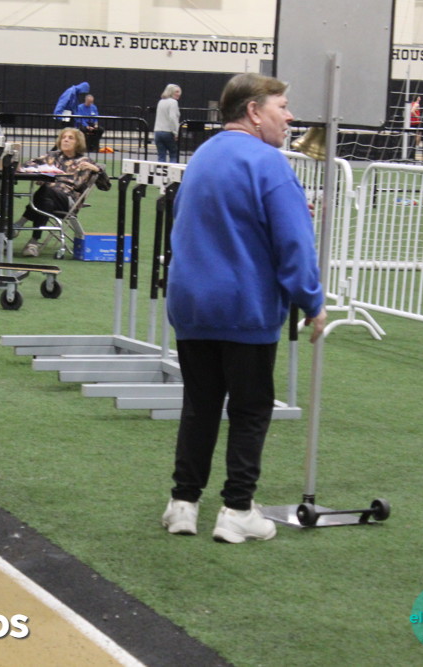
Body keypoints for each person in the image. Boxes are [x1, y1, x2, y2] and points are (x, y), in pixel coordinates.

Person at [160, 72, 327, 544]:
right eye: (282, 107)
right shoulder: (269, 163)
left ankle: (183, 504)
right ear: (254, 111)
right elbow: (294, 244)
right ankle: (236, 509)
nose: (289, 117)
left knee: (200, 405)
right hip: (244, 306)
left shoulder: (202, 156)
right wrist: (312, 301)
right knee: (251, 409)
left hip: (193, 304)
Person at [15, 126, 111, 257]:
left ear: (78, 142)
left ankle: (20, 222)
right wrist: (35, 171)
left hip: (68, 201)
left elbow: (106, 186)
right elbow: (26, 165)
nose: (66, 140)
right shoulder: (52, 156)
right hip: (47, 198)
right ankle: (33, 243)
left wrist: (97, 169)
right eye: (64, 138)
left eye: (70, 138)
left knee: (46, 190)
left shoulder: (86, 162)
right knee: (46, 201)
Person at [154, 84, 182, 163]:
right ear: (171, 92)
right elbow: (172, 118)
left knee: (161, 156)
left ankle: (160, 170)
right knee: (173, 154)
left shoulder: (161, 101)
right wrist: (176, 132)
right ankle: (172, 170)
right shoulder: (173, 102)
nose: (179, 94)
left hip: (158, 132)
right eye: (176, 92)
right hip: (168, 132)